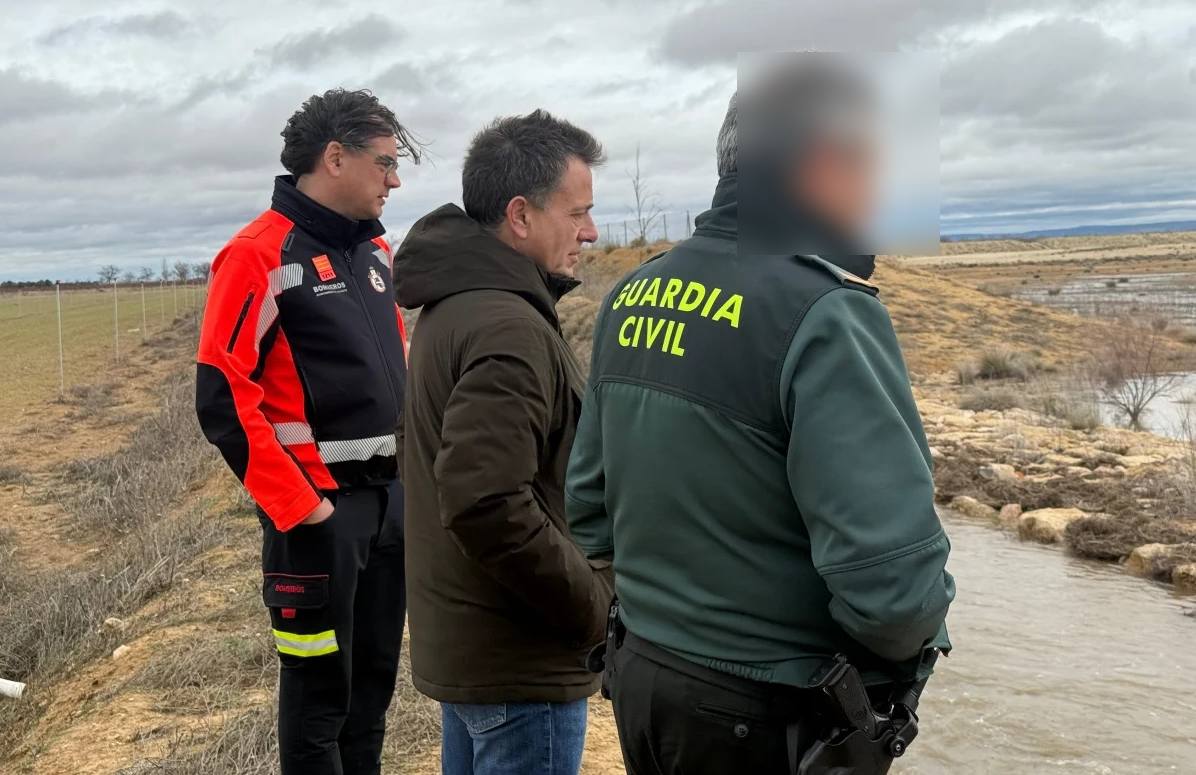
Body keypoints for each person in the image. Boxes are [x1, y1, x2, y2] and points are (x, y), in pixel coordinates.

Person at [565, 61, 955, 774]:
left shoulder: (633, 293)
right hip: (769, 713)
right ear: (822, 163)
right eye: (871, 165)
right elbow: (893, 589)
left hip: (645, 676)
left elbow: (588, 507)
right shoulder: (824, 312)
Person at [196, 88, 420, 775]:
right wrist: (304, 509)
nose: (394, 180)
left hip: (391, 508)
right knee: (320, 700)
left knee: (372, 693)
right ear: (335, 158)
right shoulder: (256, 255)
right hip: (318, 520)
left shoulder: (376, 252)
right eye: (385, 163)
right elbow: (222, 397)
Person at [394, 109, 613, 775]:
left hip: (478, 649)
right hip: (521, 666)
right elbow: (484, 499)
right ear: (520, 215)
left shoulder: (457, 303)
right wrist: (594, 608)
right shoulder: (506, 326)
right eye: (577, 213)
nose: (590, 232)